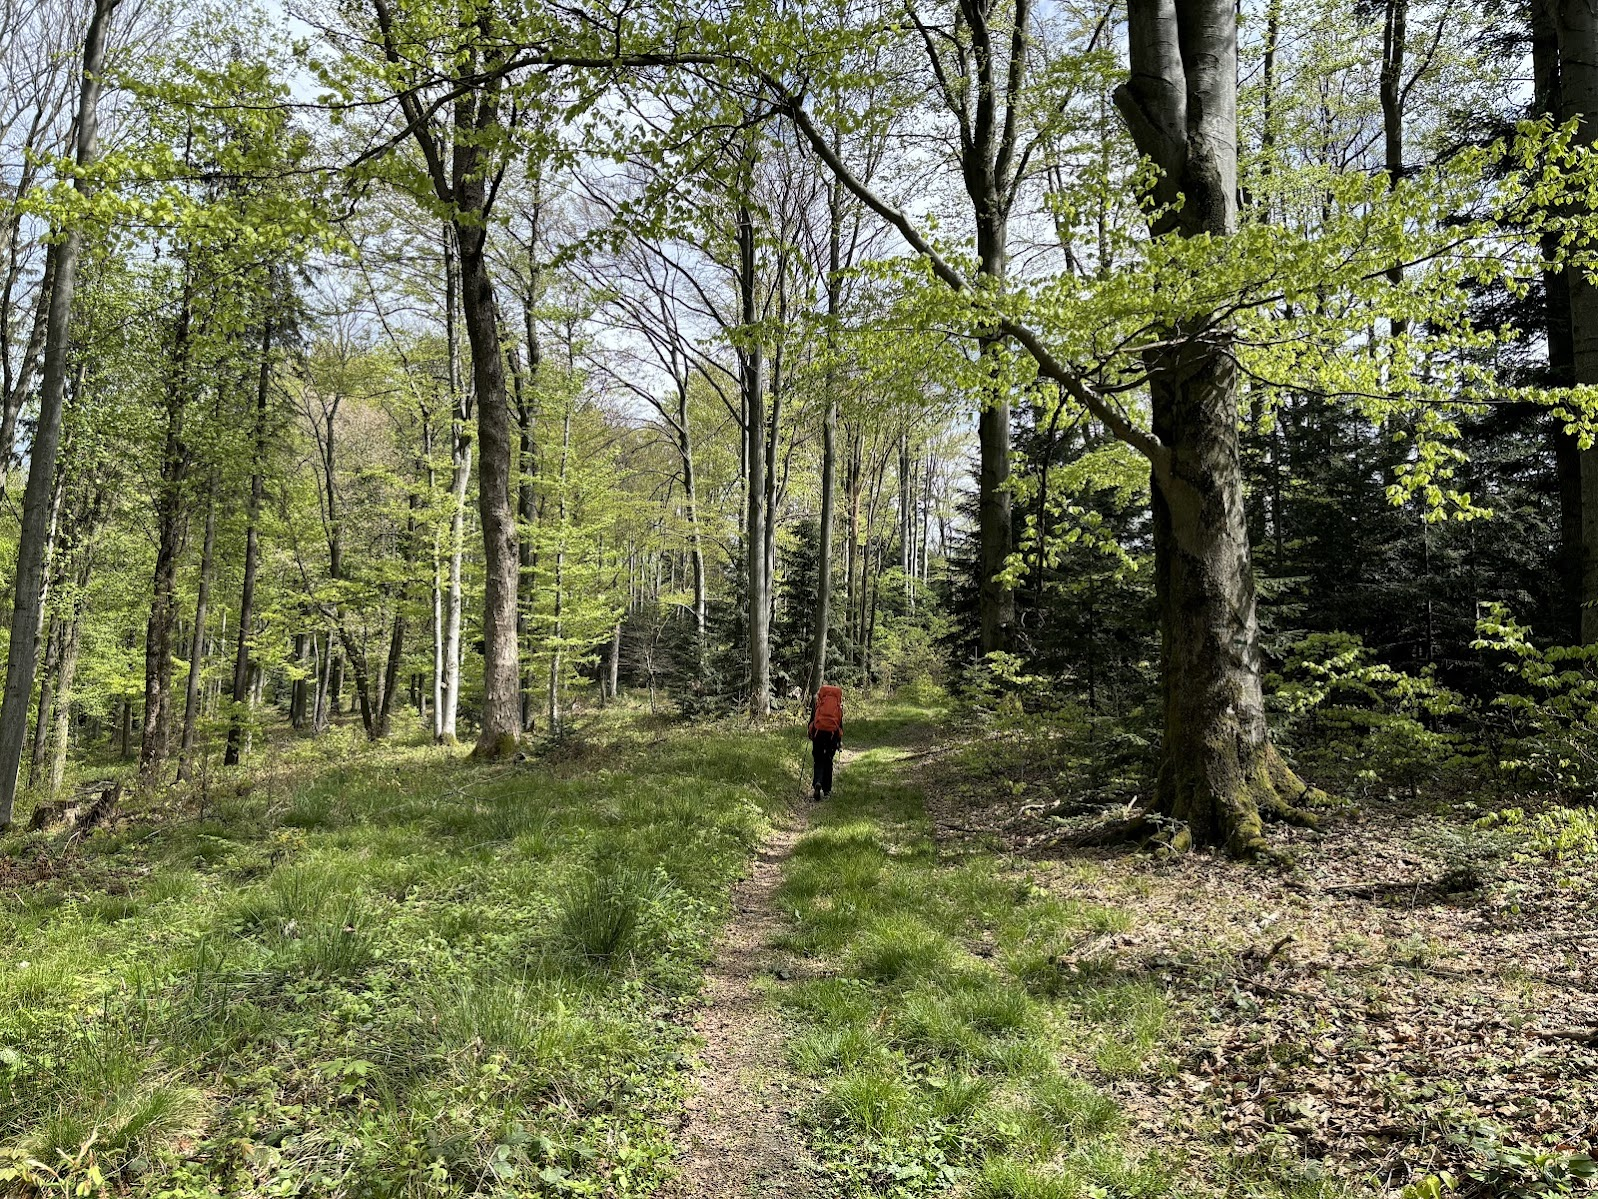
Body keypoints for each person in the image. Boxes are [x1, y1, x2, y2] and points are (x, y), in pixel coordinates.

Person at [808, 684, 844, 801]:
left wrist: (810, 734)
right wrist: (839, 741)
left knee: (818, 760)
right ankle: (827, 790)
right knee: (828, 761)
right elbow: (839, 725)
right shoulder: (838, 707)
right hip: (831, 735)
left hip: (818, 734)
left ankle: (818, 782)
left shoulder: (818, 704)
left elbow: (812, 722)